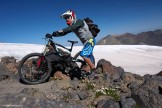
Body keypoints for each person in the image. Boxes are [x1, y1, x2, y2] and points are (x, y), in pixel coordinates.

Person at [46, 10, 97, 77]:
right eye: (65, 18)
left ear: (73, 16)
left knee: (84, 55)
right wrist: (53, 34)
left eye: (68, 17)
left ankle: (94, 71)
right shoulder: (73, 25)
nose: (66, 19)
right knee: (88, 56)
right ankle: (89, 68)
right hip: (86, 42)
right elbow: (64, 33)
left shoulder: (79, 21)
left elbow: (72, 28)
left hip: (90, 40)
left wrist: (59, 31)